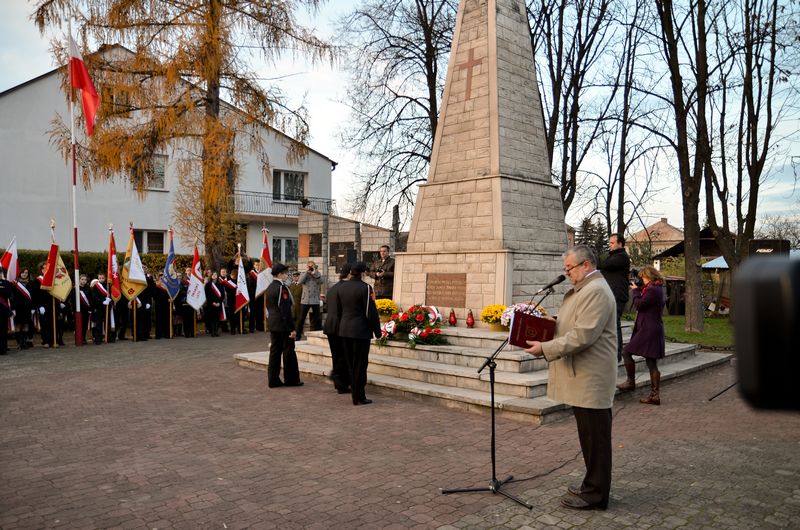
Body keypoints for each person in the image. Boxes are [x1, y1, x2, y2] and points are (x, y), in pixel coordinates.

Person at [524, 245, 617, 510]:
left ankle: (596, 494)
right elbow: (575, 322)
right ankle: (592, 484)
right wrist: (549, 321)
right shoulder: (586, 288)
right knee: (589, 437)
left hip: (591, 377)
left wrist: (545, 348)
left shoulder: (595, 290)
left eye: (570, 268)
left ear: (586, 265)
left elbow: (582, 335)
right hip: (584, 376)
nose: (567, 273)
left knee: (596, 440)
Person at [618, 265, 667, 405]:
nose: (642, 280)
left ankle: (631, 382)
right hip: (651, 328)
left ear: (649, 276)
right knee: (651, 361)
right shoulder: (656, 288)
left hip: (649, 329)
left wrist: (635, 291)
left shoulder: (652, 290)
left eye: (643, 277)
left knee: (626, 352)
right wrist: (639, 289)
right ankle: (654, 395)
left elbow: (639, 305)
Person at [336, 261, 382, 406]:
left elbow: (338, 310)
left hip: (344, 329)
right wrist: (377, 331)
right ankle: (359, 395)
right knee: (360, 364)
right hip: (360, 331)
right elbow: (370, 312)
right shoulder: (366, 288)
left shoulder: (342, 287)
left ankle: (355, 394)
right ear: (362, 273)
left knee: (351, 364)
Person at [265, 263, 303, 388]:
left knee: (275, 352)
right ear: (280, 274)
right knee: (288, 351)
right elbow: (285, 310)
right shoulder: (282, 288)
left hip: (273, 323)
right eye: (286, 273)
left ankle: (273, 379)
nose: (288, 275)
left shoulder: (270, 287)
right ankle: (291, 379)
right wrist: (291, 329)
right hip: (283, 325)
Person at [600, 233, 630, 362]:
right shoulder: (613, 256)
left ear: (620, 243)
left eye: (612, 243)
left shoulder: (622, 257)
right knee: (609, 324)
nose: (610, 245)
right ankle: (610, 351)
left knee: (614, 324)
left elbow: (605, 265)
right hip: (610, 294)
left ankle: (617, 354)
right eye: (609, 243)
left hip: (617, 295)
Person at [323, 264, 352, 394]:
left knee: (336, 355)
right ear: (349, 274)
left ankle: (339, 384)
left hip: (330, 325)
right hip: (341, 326)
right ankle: (340, 380)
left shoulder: (333, 288)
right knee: (343, 355)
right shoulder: (347, 289)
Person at [296, 260, 323, 340]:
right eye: (309, 266)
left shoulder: (317, 274)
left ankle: (319, 336)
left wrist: (314, 273)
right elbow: (300, 281)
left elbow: (321, 282)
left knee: (317, 319)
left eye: (312, 266)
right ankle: (298, 336)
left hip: (315, 299)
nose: (310, 268)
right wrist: (306, 272)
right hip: (306, 299)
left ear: (314, 266)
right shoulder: (304, 274)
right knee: (301, 318)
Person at [11, 267, 34, 350]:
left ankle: (24, 342)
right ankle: (19, 343)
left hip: (27, 307)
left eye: (26, 273)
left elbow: (33, 296)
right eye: (23, 272)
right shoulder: (15, 284)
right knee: (18, 325)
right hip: (18, 307)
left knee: (26, 325)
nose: (24, 274)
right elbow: (12, 297)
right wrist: (13, 309)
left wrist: (33, 308)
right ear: (20, 273)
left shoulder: (31, 283)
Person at [204, 270, 224, 337]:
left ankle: (216, 331)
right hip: (211, 304)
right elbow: (207, 295)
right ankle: (212, 331)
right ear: (211, 276)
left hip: (218, 304)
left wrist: (219, 302)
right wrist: (212, 302)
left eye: (216, 275)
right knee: (212, 318)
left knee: (217, 318)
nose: (214, 276)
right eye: (213, 275)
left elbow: (222, 295)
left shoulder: (220, 284)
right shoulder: (208, 285)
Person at [0, 267, 11, 354]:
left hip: (3, 309)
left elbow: (8, 293)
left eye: (0, 273)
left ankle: (3, 348)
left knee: (3, 329)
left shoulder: (6, 283)